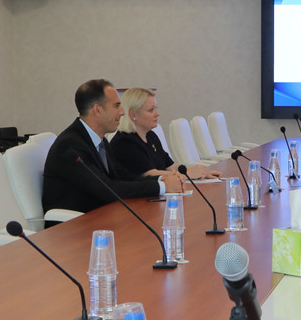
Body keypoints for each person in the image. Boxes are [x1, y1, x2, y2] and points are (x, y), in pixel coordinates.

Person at [42, 79, 183, 219]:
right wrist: (162, 187)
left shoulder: (100, 140)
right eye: (116, 106)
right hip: (75, 225)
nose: (122, 112)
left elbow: (123, 177)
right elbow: (108, 189)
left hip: (103, 215)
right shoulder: (70, 146)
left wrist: (161, 179)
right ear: (98, 110)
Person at [111, 88, 220, 179]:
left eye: (156, 109)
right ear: (133, 115)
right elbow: (150, 174)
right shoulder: (124, 142)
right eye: (151, 110)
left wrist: (200, 172)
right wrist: (188, 175)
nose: (157, 114)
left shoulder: (151, 135)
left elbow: (171, 166)